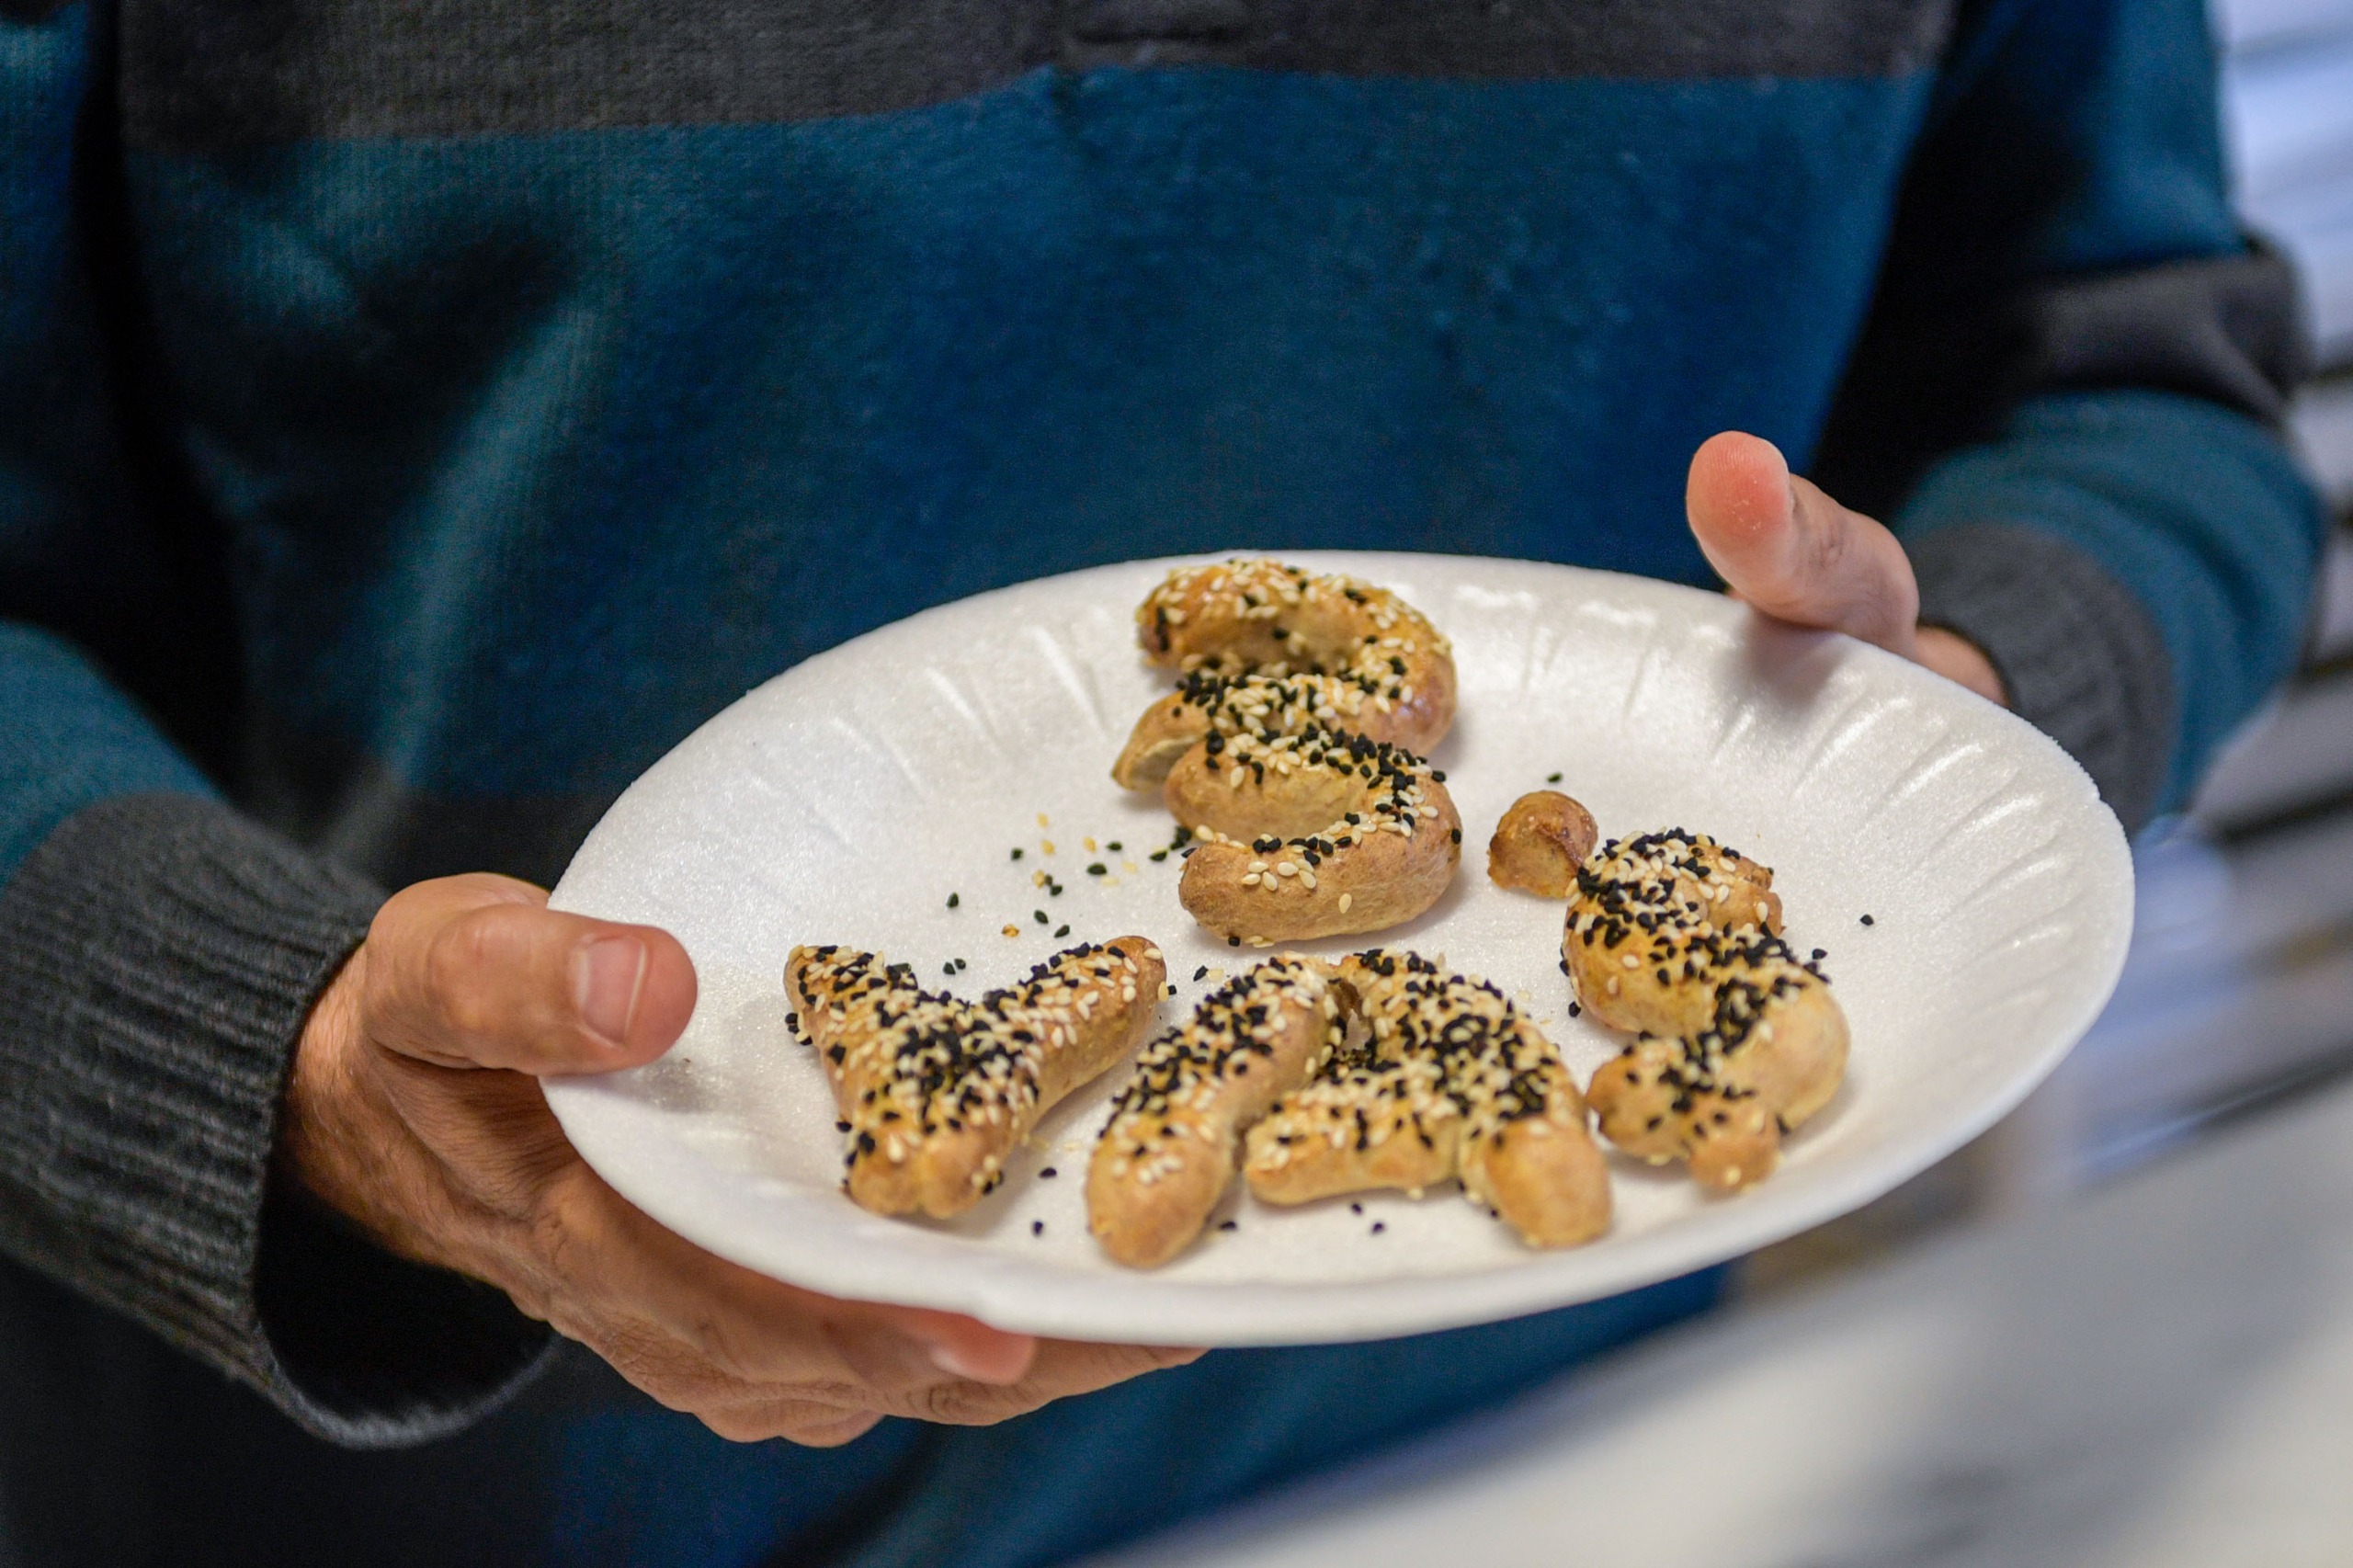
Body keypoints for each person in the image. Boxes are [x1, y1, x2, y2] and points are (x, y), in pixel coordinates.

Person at [0, 0, 2326, 1562]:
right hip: (424, 1482)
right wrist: (280, 1054)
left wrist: (1942, 726)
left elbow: (2133, 377)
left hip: (1581, 1460)